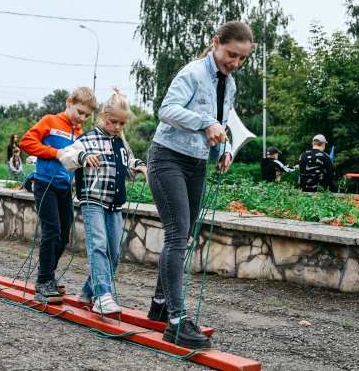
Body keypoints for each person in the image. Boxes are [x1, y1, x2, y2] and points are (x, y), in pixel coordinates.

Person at [145, 21, 253, 349]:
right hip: (167, 158)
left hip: (197, 164)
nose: (235, 62)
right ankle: (176, 323)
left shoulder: (229, 84)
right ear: (216, 43)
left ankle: (159, 306)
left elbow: (221, 122)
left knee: (186, 234)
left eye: (242, 59)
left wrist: (223, 150)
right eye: (231, 54)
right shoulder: (193, 73)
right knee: (177, 234)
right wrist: (206, 123)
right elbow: (167, 111)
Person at [59, 91, 147, 315]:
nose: (117, 127)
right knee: (98, 245)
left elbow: (128, 164)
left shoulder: (120, 144)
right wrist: (82, 158)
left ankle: (89, 291)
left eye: (122, 123)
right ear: (102, 116)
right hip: (93, 201)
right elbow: (65, 155)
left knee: (114, 252)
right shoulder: (88, 139)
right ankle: (103, 295)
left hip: (114, 206)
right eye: (114, 121)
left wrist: (140, 166)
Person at [19, 87, 97, 303]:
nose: (81, 118)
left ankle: (49, 276)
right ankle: (43, 281)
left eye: (86, 116)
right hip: (45, 185)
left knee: (64, 236)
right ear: (68, 102)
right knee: (51, 231)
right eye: (79, 111)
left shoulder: (80, 134)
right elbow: (26, 143)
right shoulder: (50, 121)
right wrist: (55, 153)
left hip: (65, 188)